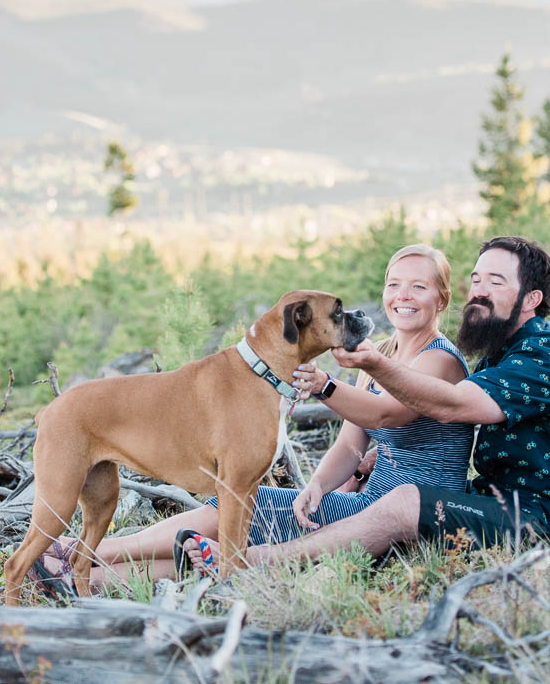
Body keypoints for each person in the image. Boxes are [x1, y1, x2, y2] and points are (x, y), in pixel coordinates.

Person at [30, 243, 474, 592]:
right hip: (363, 503)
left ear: (443, 298)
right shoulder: (381, 356)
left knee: (246, 506)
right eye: (394, 284)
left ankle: (82, 552)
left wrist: (324, 385)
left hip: (409, 515)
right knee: (216, 543)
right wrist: (317, 487)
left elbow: (388, 414)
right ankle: (86, 577)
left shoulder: (441, 360)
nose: (402, 296)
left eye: (418, 286)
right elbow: (349, 444)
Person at [188, 235, 550, 573]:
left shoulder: (545, 355)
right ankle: (127, 564)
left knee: (406, 501)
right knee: (271, 505)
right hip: (501, 500)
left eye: (496, 282)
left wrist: (368, 367)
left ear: (532, 300)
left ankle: (256, 563)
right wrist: (358, 463)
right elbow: (368, 438)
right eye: (477, 280)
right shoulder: (501, 352)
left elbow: (452, 406)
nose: (480, 292)